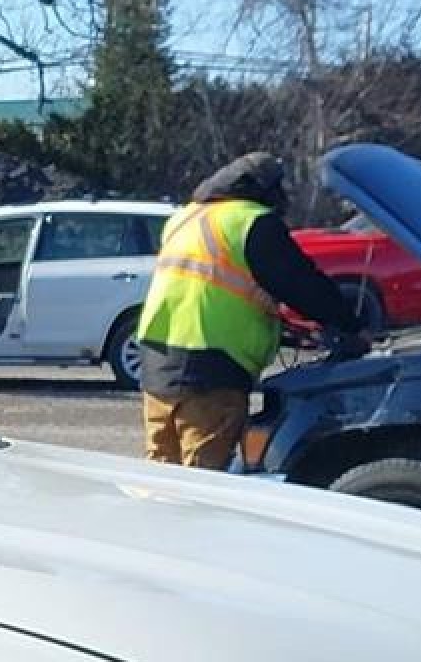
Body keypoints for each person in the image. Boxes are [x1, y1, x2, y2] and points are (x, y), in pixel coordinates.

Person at [132, 152, 361, 471]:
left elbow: (214, 289)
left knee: (160, 475)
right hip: (212, 369)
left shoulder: (185, 218)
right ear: (264, 189)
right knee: (204, 481)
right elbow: (300, 282)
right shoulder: (251, 221)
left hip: (158, 362)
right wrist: (346, 321)